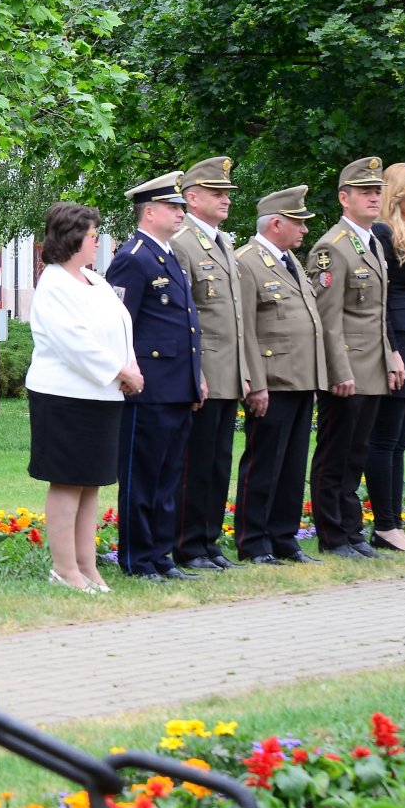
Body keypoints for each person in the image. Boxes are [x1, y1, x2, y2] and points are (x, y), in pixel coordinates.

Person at [25, 202, 139, 593]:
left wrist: (130, 367)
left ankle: (87, 566)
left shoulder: (95, 280)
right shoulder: (54, 283)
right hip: (65, 397)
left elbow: (120, 327)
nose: (98, 242)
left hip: (102, 395)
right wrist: (121, 371)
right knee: (68, 482)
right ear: (73, 237)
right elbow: (75, 342)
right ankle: (64, 569)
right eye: (93, 235)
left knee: (92, 482)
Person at [106, 171, 207, 580]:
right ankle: (137, 559)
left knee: (167, 479)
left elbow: (186, 327)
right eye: (173, 206)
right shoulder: (132, 257)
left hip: (176, 386)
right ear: (149, 212)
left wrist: (195, 377)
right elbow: (118, 325)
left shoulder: (168, 255)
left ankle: (161, 557)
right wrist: (127, 373)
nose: (181, 213)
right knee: (142, 478)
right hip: (146, 388)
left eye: (181, 207)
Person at [307, 156, 405, 558]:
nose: (374, 198)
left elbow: (377, 314)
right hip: (347, 368)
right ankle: (333, 535)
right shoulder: (332, 248)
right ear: (344, 198)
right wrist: (338, 371)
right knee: (335, 454)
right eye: (365, 192)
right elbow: (327, 319)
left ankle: (351, 532)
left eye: (377, 192)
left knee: (356, 454)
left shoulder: (372, 243)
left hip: (371, 367)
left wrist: (390, 358)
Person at [231, 188, 326, 564]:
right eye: (298, 223)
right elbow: (245, 330)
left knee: (292, 465)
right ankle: (254, 541)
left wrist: (316, 377)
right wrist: (255, 383)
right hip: (271, 380)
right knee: (264, 464)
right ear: (276, 223)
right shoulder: (247, 262)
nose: (304, 230)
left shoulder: (291, 262)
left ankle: (284, 538)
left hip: (300, 378)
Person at [173, 156, 249, 570]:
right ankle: (188, 545)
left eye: (227, 193)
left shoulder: (223, 242)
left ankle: (209, 542)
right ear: (192, 197)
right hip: (203, 371)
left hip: (229, 371)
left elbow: (235, 317)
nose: (226, 199)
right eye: (217, 193)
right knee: (196, 465)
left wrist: (246, 373)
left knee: (219, 464)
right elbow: (185, 317)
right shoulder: (183, 242)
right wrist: (193, 374)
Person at [364, 162, 405, 552]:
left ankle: (393, 523)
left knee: (400, 441)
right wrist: (391, 351)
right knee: (384, 439)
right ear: (396, 192)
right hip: (399, 339)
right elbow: (379, 299)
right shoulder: (383, 233)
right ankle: (384, 524)